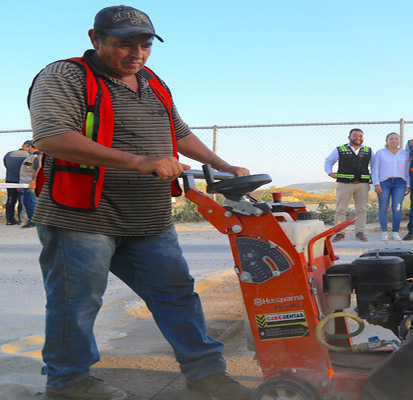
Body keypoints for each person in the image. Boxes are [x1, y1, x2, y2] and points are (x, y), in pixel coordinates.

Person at [28, 6, 252, 400]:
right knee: (76, 304)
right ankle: (68, 382)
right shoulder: (64, 76)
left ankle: (205, 374)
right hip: (81, 216)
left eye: (145, 45)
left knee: (177, 294)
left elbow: (176, 131)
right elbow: (52, 136)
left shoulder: (151, 80)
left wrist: (221, 164)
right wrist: (138, 161)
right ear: (94, 39)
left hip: (148, 217)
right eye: (124, 45)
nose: (137, 54)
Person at [324, 128, 373, 242]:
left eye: (360, 136)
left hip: (362, 184)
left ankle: (360, 232)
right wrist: (329, 172)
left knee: (361, 209)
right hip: (344, 184)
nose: (358, 138)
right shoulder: (340, 149)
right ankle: (340, 232)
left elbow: (374, 165)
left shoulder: (368, 150)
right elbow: (328, 161)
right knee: (341, 209)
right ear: (349, 137)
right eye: (355, 136)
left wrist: (373, 178)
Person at [371, 132, 410, 241]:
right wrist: (376, 183)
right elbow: (375, 169)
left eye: (396, 139)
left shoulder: (405, 153)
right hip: (384, 182)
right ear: (386, 140)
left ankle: (395, 231)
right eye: (391, 139)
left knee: (397, 207)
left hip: (400, 182)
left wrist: (408, 184)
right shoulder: (380, 153)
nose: (394, 141)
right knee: (383, 207)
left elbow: (408, 170)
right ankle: (384, 231)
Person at [3, 140, 31, 225]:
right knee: (22, 200)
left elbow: (5, 165)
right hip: (22, 181)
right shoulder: (29, 155)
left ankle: (9, 220)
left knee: (11, 199)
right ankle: (22, 220)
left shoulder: (9, 154)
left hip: (10, 180)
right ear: (27, 146)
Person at [18, 141, 42, 228]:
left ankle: (33, 222)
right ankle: (31, 220)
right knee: (27, 202)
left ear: (31, 147)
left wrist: (34, 182)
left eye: (28, 147)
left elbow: (39, 169)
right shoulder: (31, 157)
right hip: (25, 185)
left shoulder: (37, 156)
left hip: (30, 185)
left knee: (31, 202)